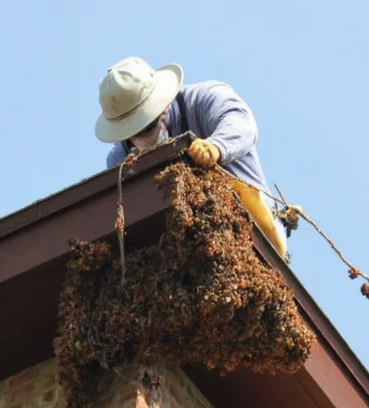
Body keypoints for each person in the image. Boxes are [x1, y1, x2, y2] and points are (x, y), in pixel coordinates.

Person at [94, 56, 288, 259]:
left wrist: (216, 147)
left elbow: (240, 123)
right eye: (135, 132)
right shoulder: (121, 159)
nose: (143, 136)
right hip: (188, 254)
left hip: (259, 231)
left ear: (163, 106)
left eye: (148, 126)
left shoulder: (203, 100)